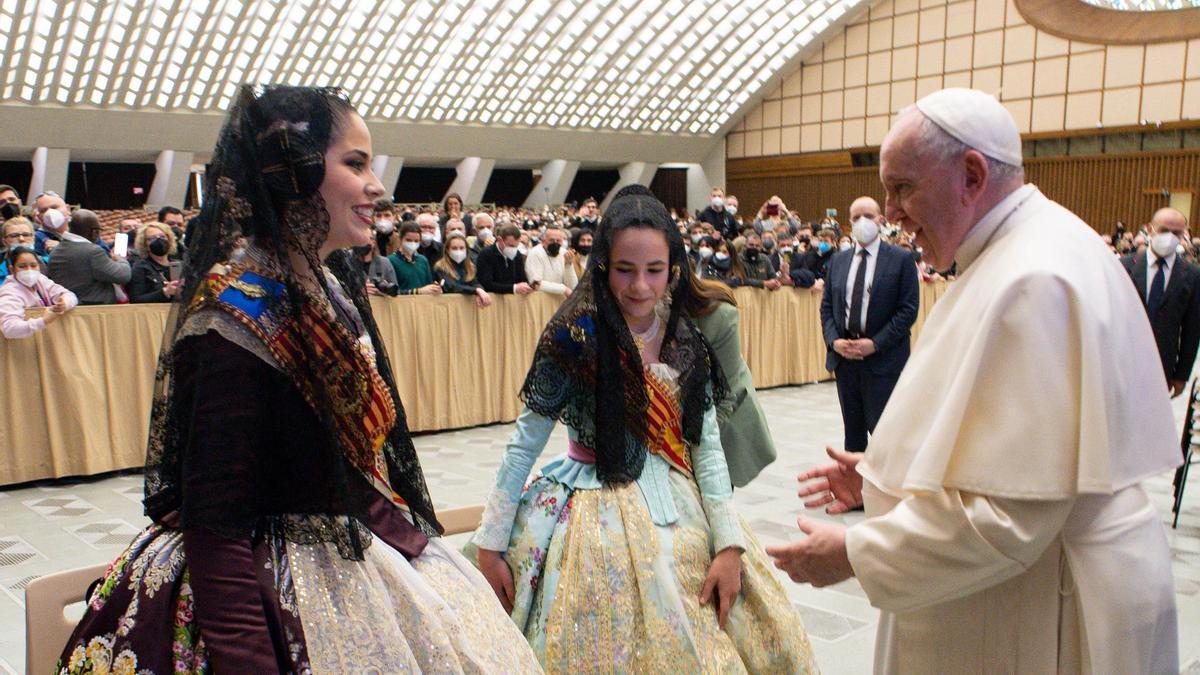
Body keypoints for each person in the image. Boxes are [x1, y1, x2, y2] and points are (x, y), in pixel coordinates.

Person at [57, 85, 542, 673]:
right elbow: (218, 523)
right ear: (294, 173)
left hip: (354, 553)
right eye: (355, 163)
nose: (377, 186)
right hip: (263, 593)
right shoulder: (228, 318)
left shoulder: (328, 286)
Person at [768, 88, 1180, 674]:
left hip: (1043, 604)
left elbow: (1010, 515)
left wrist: (856, 551)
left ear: (971, 174)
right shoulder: (1025, 247)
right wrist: (890, 480)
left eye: (903, 188)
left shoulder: (1034, 277)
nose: (888, 214)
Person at [469, 190, 817, 673]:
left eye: (654, 270)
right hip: (587, 507)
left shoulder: (683, 338)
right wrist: (491, 544)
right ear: (601, 266)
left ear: (673, 267)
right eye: (624, 269)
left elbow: (708, 449)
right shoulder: (574, 334)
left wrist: (730, 543)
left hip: (680, 502)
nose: (639, 285)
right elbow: (523, 445)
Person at [819, 196, 919, 453]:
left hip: (884, 362)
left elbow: (908, 310)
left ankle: (886, 492)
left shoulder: (900, 259)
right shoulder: (838, 261)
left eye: (868, 216)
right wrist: (834, 341)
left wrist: (875, 344)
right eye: (856, 217)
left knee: (887, 437)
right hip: (846, 362)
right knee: (853, 438)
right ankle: (855, 492)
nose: (862, 222)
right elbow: (827, 306)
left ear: (881, 220)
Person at [1120, 207, 1200, 398]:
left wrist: (1182, 375)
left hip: (1162, 364)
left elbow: (1192, 329)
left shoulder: (1192, 275)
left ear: (1184, 235)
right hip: (1121, 360)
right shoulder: (1123, 266)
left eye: (1176, 233)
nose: (1170, 237)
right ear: (1150, 229)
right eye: (1164, 230)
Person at [47, 209, 131, 305]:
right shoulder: (93, 251)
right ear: (94, 232)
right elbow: (123, 275)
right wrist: (121, 259)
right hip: (94, 311)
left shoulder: (55, 251)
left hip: (67, 307)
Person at [0, 245, 76, 339]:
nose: (29, 270)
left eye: (33, 265)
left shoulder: (40, 280)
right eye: (22, 266)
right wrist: (44, 321)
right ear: (12, 269)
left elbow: (70, 295)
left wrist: (64, 303)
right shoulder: (9, 292)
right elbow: (9, 329)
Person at [433, 232, 492, 308]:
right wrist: (475, 291)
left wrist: (479, 291)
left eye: (461, 248)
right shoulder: (440, 267)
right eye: (454, 248)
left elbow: (475, 283)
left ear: (466, 250)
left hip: (467, 307)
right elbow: (451, 287)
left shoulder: (470, 267)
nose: (458, 251)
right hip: (448, 306)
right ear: (447, 250)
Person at [127, 223, 183, 303]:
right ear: (145, 244)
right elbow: (135, 299)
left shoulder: (181, 265)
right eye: (152, 238)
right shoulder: (141, 268)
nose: (159, 240)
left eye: (162, 237)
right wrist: (165, 292)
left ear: (169, 239)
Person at [475, 223, 534, 295]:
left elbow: (522, 279)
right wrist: (513, 288)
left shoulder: (517, 254)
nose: (513, 249)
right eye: (510, 245)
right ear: (500, 240)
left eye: (516, 246)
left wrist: (529, 286)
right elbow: (486, 284)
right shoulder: (486, 254)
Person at [388, 222, 441, 296]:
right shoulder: (390, 261)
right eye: (408, 240)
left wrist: (434, 289)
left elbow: (428, 285)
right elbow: (391, 292)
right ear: (400, 239)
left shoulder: (423, 260)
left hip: (422, 305)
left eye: (416, 241)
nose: (412, 243)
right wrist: (417, 291)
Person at [524, 224, 578, 296]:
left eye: (558, 240)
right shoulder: (535, 253)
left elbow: (573, 286)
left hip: (560, 300)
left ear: (562, 241)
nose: (555, 243)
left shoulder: (564, 253)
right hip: (541, 299)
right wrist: (563, 289)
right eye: (551, 240)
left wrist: (568, 265)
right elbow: (535, 283)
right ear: (543, 241)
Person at [1, 217, 44, 283]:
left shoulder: (48, 263)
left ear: (33, 238)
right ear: (4, 242)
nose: (21, 239)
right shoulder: (1, 271)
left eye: (26, 235)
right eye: (14, 235)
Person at [33, 190, 71, 255]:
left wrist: (64, 249)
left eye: (54, 207)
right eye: (44, 210)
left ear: (68, 209)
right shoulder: (36, 239)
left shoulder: (81, 232)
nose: (50, 213)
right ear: (39, 217)